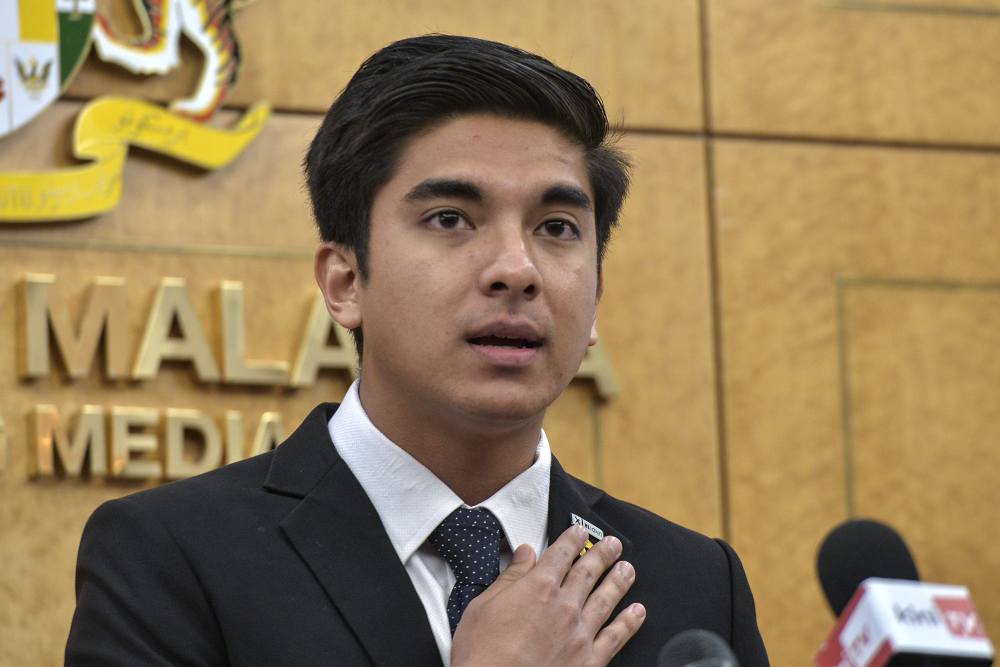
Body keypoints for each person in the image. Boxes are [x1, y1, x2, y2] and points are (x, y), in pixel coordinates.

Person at [65, 35, 769, 666]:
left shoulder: (693, 584)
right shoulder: (172, 557)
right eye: (450, 218)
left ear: (595, 299)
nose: (516, 268)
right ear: (345, 282)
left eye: (556, 227)